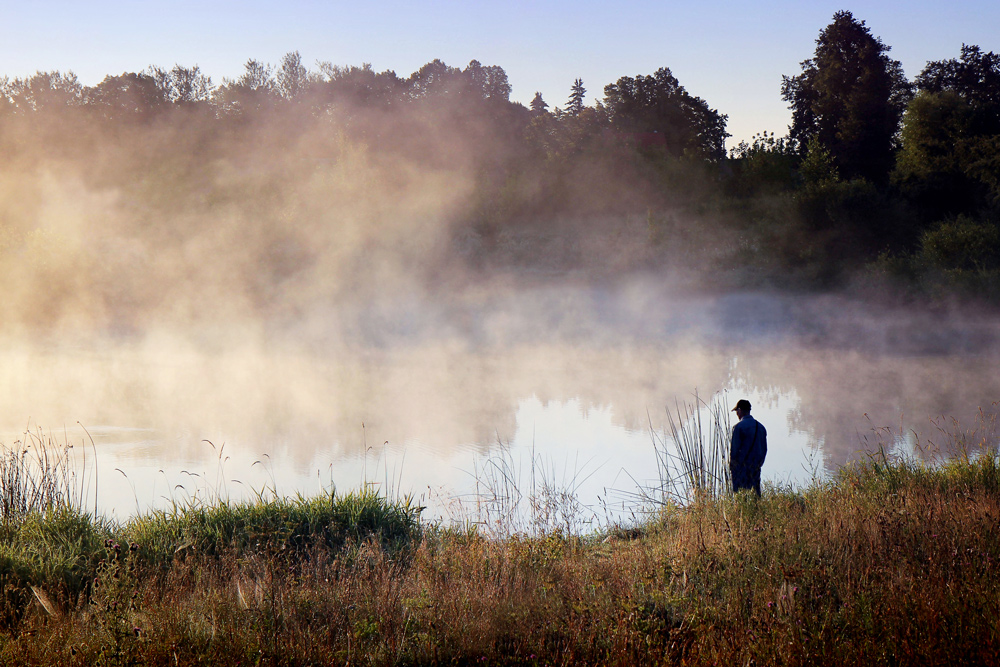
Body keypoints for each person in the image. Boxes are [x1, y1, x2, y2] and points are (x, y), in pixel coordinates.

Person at [730, 399, 767, 496]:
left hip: (741, 469)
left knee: (740, 497)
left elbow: (734, 450)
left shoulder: (738, 428)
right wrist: (759, 464)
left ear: (740, 410)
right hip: (756, 468)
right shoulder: (761, 427)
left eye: (736, 411)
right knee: (755, 495)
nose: (737, 414)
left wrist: (733, 467)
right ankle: (757, 510)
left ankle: (740, 511)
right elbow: (764, 449)